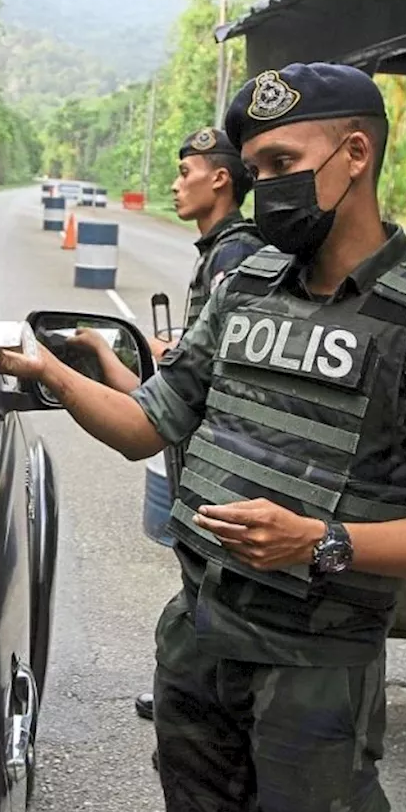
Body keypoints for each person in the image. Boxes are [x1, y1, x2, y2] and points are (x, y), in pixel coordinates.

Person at [0, 62, 406, 812]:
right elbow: (148, 423)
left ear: (355, 154)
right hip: (197, 642)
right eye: (255, 169)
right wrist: (46, 372)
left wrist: (323, 542)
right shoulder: (245, 289)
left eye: (283, 165)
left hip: (315, 670)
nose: (265, 187)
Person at [69, 128, 264, 729]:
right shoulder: (218, 251)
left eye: (185, 171)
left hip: (215, 456)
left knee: (214, 582)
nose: (176, 184)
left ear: (220, 179)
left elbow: (208, 382)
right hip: (194, 449)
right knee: (198, 580)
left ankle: (199, 703)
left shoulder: (235, 255)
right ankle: (190, 690)